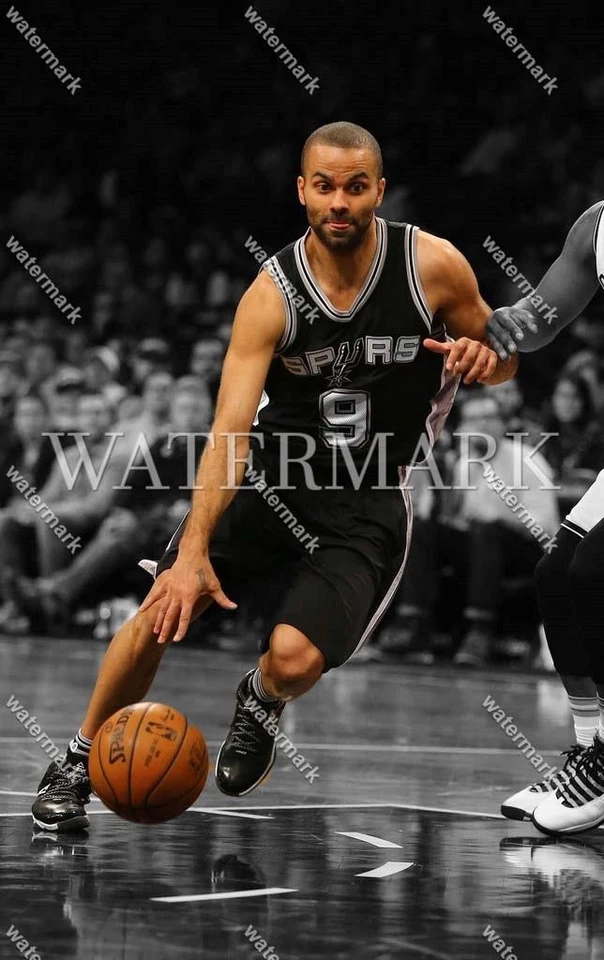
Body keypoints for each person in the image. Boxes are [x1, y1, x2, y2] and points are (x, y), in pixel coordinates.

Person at [31, 121, 516, 832]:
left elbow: (501, 354)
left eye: (356, 187)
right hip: (270, 479)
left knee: (292, 660)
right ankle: (74, 762)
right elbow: (229, 430)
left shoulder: (433, 266)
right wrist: (193, 552)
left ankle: (261, 698)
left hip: (369, 499)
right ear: (302, 191)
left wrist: (488, 361)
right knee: (161, 609)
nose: (340, 202)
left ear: (378, 190)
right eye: (324, 187)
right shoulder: (271, 292)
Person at [487, 199, 604, 835]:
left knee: (591, 574)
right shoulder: (596, 227)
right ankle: (595, 752)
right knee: (557, 576)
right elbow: (538, 323)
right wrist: (501, 326)